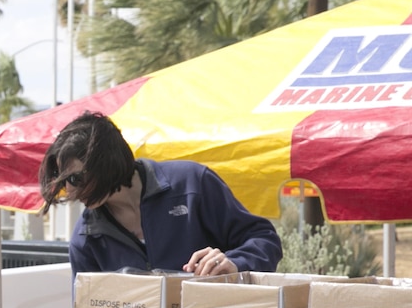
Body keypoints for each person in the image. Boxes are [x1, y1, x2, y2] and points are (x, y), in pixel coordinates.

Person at [38, 111, 282, 278]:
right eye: (64, 182)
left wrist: (235, 262)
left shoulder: (192, 184)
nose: (70, 191)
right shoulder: (85, 238)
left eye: (75, 179)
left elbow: (264, 239)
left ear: (107, 163)